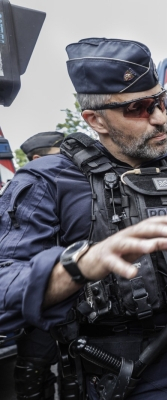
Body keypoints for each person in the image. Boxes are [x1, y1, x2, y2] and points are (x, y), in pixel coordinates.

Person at [0, 38, 167, 399]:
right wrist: (79, 265)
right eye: (140, 108)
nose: (160, 119)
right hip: (127, 376)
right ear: (95, 119)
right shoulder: (49, 182)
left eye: (159, 101)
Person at [13, 131, 66, 399]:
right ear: (37, 158)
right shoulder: (24, 195)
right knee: (34, 374)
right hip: (37, 303)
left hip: (69, 301)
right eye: (61, 155)